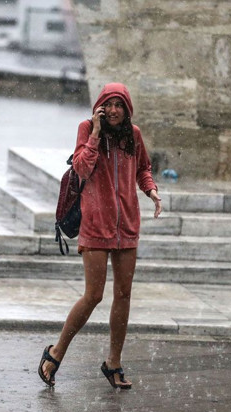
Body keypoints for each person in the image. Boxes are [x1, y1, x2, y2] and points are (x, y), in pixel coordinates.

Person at [38, 82, 162, 390]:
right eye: (111, 104)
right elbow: (81, 167)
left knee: (123, 295)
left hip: (127, 226)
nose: (116, 110)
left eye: (121, 105)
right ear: (101, 107)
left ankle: (113, 362)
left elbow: (143, 169)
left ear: (127, 108)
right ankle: (56, 352)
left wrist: (152, 191)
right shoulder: (87, 128)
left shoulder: (133, 135)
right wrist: (94, 132)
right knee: (94, 295)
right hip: (95, 224)